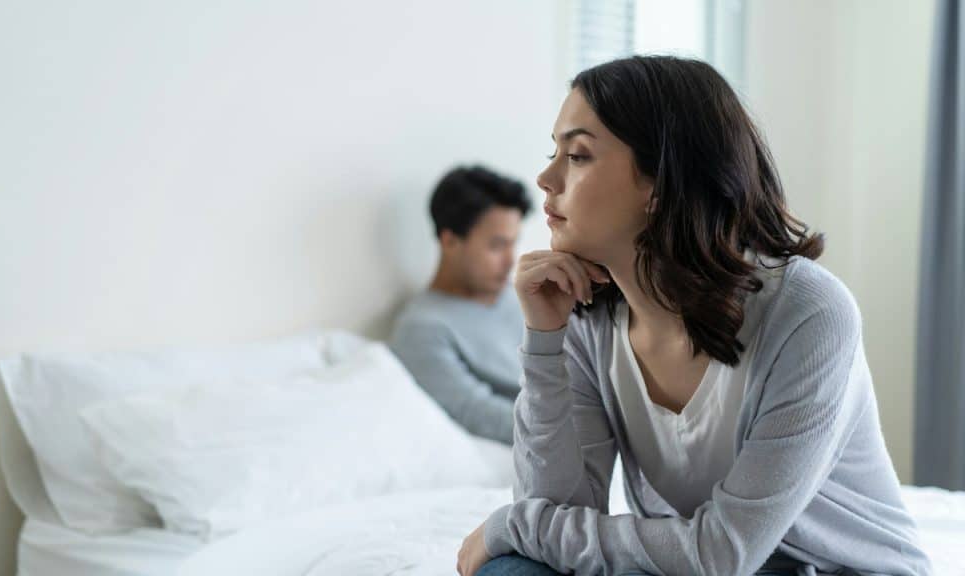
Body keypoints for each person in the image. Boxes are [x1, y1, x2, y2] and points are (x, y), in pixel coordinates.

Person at [456, 56, 932, 576]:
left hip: (834, 569)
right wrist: (544, 339)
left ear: (662, 184)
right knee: (514, 571)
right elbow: (557, 512)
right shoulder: (588, 318)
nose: (546, 179)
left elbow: (721, 553)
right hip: (692, 565)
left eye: (577, 155)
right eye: (554, 153)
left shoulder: (809, 314)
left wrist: (513, 526)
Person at [389, 165, 533, 445]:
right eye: (496, 246)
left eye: (513, 244)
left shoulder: (520, 297)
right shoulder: (422, 329)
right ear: (450, 241)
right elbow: (477, 412)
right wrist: (576, 431)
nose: (510, 260)